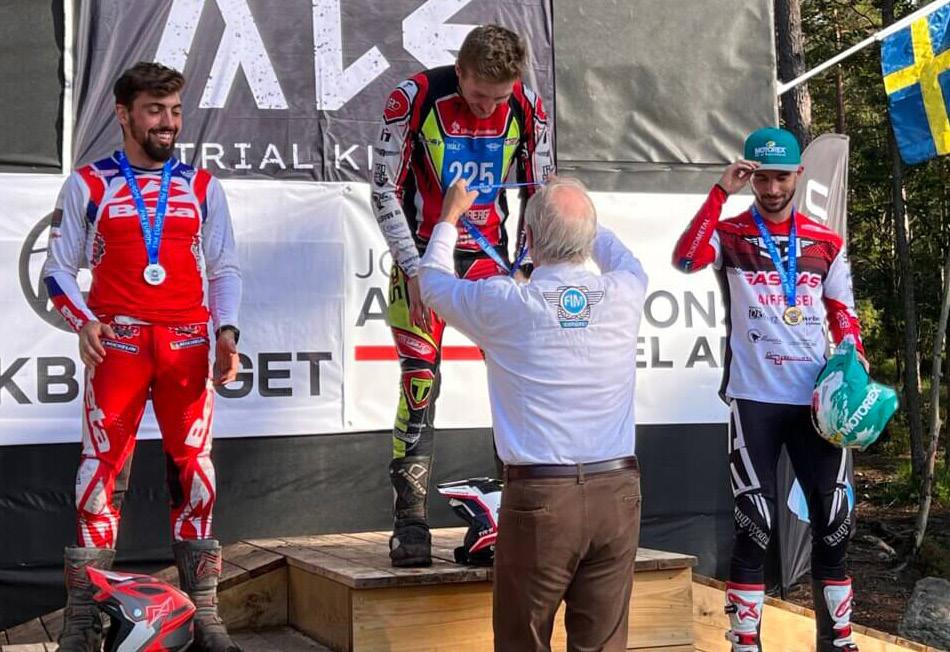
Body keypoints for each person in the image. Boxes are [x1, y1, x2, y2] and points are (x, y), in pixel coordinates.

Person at [42, 62, 243, 652]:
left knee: (195, 471)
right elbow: (58, 270)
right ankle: (81, 620)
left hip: (187, 345)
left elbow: (224, 269)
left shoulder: (202, 186)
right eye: (155, 110)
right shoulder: (88, 183)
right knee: (98, 474)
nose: (168, 123)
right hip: (120, 345)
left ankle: (205, 615)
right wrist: (83, 321)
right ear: (123, 114)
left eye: (175, 111)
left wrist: (227, 333)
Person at [419, 176, 647, 651]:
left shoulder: (506, 301)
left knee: (522, 642)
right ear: (589, 237)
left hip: (542, 498)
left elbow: (434, 285)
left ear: (527, 238)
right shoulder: (625, 290)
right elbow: (620, 255)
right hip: (616, 492)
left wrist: (449, 217)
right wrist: (581, 214)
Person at [672, 127, 866, 652]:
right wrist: (721, 191)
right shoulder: (731, 234)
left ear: (798, 174)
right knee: (754, 524)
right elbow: (686, 258)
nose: (773, 189)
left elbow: (843, 313)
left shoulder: (825, 241)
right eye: (762, 179)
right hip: (753, 399)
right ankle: (744, 643)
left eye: (781, 177)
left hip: (816, 404)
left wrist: (854, 358)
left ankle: (838, 640)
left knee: (834, 520)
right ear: (750, 176)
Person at [371, 23, 553, 567]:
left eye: (497, 98)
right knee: (419, 381)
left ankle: (520, 515)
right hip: (424, 253)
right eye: (477, 95)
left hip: (491, 262)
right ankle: (410, 522)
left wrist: (527, 267)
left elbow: (541, 193)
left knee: (518, 379)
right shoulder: (414, 97)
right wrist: (413, 269)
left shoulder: (528, 106)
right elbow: (382, 190)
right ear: (460, 71)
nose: (486, 107)